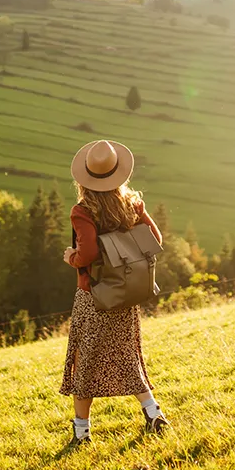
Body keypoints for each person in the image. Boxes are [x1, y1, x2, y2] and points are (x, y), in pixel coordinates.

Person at [59, 139, 168, 444]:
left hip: (95, 297)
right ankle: (154, 413)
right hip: (127, 293)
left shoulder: (82, 211)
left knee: (84, 362)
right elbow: (154, 238)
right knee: (126, 355)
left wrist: (71, 258)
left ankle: (82, 434)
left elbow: (88, 253)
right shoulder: (131, 203)